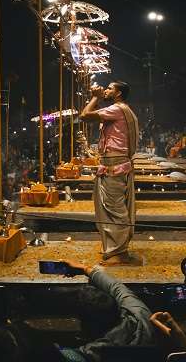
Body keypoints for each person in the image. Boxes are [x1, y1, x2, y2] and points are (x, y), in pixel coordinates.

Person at [81, 81, 141, 265]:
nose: (105, 90)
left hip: (114, 165)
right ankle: (114, 248)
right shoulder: (121, 109)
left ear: (118, 93)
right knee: (111, 207)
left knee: (115, 209)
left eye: (109, 88)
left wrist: (95, 98)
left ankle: (119, 253)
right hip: (113, 163)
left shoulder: (117, 109)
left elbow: (84, 115)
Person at [60, 260, 156, 362]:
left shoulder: (90, 354)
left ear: (88, 326)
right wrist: (85, 269)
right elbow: (116, 287)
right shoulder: (141, 314)